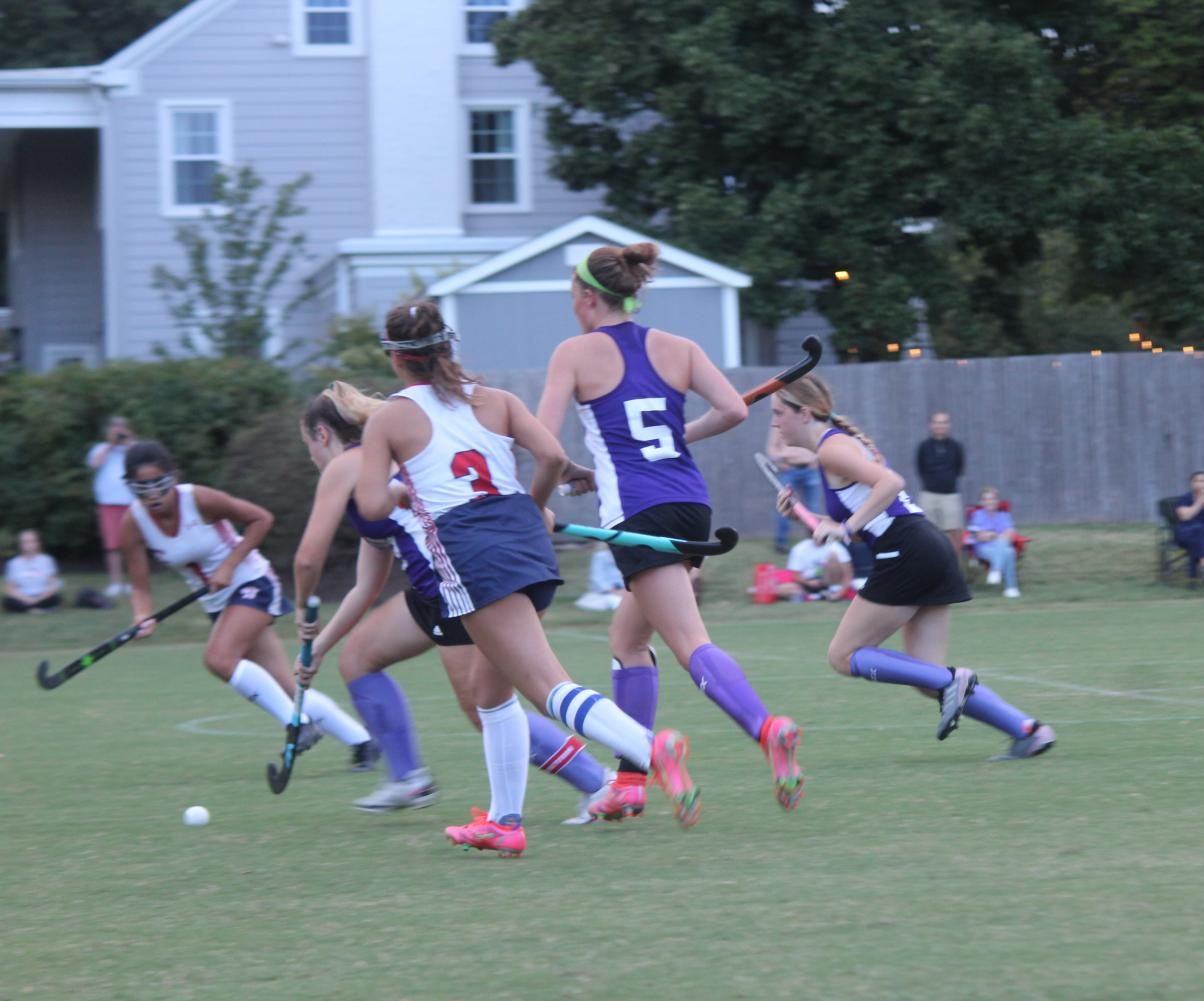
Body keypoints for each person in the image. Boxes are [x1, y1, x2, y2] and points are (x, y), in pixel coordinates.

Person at [356, 300, 700, 857]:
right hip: (522, 541)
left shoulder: (390, 418)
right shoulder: (498, 399)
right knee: (490, 693)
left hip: (468, 550)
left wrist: (401, 488)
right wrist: (531, 508)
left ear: (395, 357)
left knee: (547, 687)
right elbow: (551, 456)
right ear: (448, 347)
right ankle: (504, 822)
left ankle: (651, 748)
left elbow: (372, 504)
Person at [536, 241, 804, 821]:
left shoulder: (574, 354)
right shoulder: (677, 347)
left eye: (571, 300)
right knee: (628, 641)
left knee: (689, 642)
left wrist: (560, 482)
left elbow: (544, 445)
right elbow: (733, 409)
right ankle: (632, 781)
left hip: (639, 514)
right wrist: (678, 437)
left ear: (587, 298)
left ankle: (766, 729)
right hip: (689, 505)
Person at [294, 381, 615, 822]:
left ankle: (598, 783)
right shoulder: (372, 473)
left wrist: (299, 610)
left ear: (322, 435)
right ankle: (410, 779)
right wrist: (318, 647)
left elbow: (307, 559)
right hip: (430, 591)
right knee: (357, 659)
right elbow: (366, 586)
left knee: (483, 706)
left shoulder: (346, 468)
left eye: (308, 444)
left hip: (457, 587)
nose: (311, 456)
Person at [771, 374, 1056, 761]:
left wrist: (845, 527)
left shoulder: (831, 450)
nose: (775, 423)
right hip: (926, 547)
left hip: (908, 551)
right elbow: (867, 521)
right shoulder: (838, 448)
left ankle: (953, 680)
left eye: (778, 414)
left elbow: (890, 483)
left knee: (844, 655)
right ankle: (1027, 731)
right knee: (926, 676)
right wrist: (818, 520)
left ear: (803, 413)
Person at [118, 440, 377, 767]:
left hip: (251, 581)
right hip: (217, 601)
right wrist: (143, 615)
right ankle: (364, 742)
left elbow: (261, 519)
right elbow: (139, 584)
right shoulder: (133, 524)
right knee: (286, 687)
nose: (153, 495)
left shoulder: (197, 499)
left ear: (173, 477)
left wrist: (229, 565)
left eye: (160, 484)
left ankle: (296, 726)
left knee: (218, 658)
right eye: (143, 488)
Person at [86, 415, 136, 598]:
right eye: (115, 428)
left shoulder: (133, 448)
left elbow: (142, 460)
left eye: (121, 427)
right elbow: (94, 463)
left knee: (131, 544)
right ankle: (116, 583)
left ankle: (134, 582)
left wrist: (128, 441)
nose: (118, 431)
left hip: (131, 502)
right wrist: (110, 444)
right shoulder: (100, 449)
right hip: (108, 503)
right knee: (112, 545)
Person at [766, 419, 822, 553]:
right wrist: (783, 463)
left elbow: (821, 447)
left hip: (811, 471)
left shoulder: (812, 422)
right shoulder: (779, 423)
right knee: (785, 506)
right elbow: (772, 449)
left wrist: (815, 461)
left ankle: (816, 540)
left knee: (813, 507)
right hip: (790, 470)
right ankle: (781, 543)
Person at [915, 411, 966, 558]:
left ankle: (953, 569)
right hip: (929, 495)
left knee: (954, 533)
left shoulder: (956, 447)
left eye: (943, 422)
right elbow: (921, 468)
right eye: (937, 422)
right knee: (928, 534)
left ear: (948, 425)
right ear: (931, 425)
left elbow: (959, 468)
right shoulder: (923, 447)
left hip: (950, 496)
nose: (940, 426)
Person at [966, 486, 1022, 598]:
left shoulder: (1004, 515)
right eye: (986, 499)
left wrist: (991, 535)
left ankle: (995, 570)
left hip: (1000, 546)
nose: (990, 502)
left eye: (992, 499)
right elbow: (979, 536)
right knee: (1007, 550)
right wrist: (997, 535)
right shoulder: (977, 515)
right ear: (982, 502)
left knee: (1009, 551)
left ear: (997, 501)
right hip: (983, 548)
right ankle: (1011, 588)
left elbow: (1010, 534)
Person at [4, 529, 63, 613]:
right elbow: (10, 589)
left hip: (42, 596)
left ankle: (27, 609)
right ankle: (38, 610)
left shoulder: (47, 560)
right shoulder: (13, 563)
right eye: (25, 542)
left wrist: (38, 599)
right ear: (20, 545)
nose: (29, 545)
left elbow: (53, 585)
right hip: (22, 597)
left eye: (32, 541)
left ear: (38, 543)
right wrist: (26, 599)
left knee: (55, 598)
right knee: (8, 601)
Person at [780, 536, 855, 602]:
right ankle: (816, 596)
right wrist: (808, 583)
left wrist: (839, 594)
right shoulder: (800, 548)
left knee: (833, 558)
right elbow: (795, 575)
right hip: (806, 584)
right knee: (781, 589)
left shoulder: (835, 547)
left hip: (829, 581)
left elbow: (848, 573)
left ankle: (830, 592)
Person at [574, 544, 625, 611]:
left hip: (623, 590)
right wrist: (613, 591)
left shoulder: (626, 558)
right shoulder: (600, 556)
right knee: (614, 601)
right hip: (605, 592)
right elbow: (597, 578)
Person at [1172, 471, 1204, 579]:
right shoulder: (1184, 499)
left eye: (1203, 481)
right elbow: (1185, 516)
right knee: (1200, 530)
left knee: (1200, 532)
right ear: (1192, 484)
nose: (1201, 484)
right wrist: (1200, 502)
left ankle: (1195, 573)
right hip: (1185, 533)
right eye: (1198, 481)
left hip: (1199, 537)